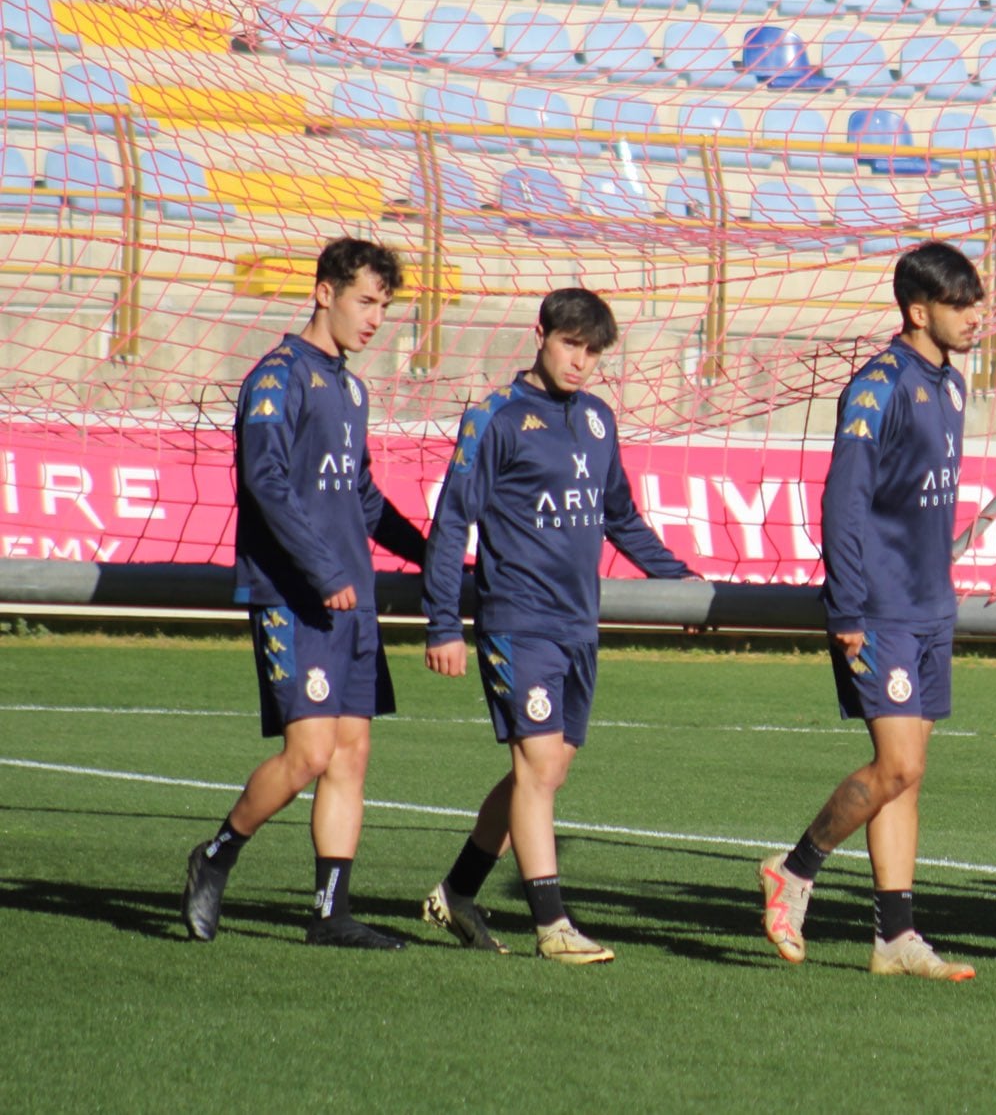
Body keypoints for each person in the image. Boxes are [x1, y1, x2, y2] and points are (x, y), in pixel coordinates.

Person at [419, 288, 695, 965]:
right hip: (518, 618)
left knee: (545, 771)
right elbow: (453, 519)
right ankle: (553, 924)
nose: (583, 361)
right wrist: (441, 625)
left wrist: (682, 583)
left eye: (594, 350)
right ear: (540, 334)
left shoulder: (597, 420)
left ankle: (456, 892)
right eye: (572, 344)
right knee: (538, 766)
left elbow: (621, 516)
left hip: (578, 625)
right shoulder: (495, 417)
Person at [181, 238, 427, 948]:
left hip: (352, 603)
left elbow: (364, 497)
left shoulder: (350, 388)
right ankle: (216, 856)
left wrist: (430, 551)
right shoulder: (277, 376)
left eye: (385, 305)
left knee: (350, 756)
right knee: (310, 755)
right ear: (324, 293)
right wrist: (322, 572)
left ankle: (330, 914)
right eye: (366, 300)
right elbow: (266, 483)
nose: (376, 318)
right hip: (297, 596)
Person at [758, 242, 987, 982]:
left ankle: (895, 936)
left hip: (928, 607)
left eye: (977, 303)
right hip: (879, 608)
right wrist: (848, 601)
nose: (976, 318)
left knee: (908, 778)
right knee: (899, 763)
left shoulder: (949, 386)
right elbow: (843, 499)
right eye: (961, 305)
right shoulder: (878, 386)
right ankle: (795, 870)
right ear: (919, 312)